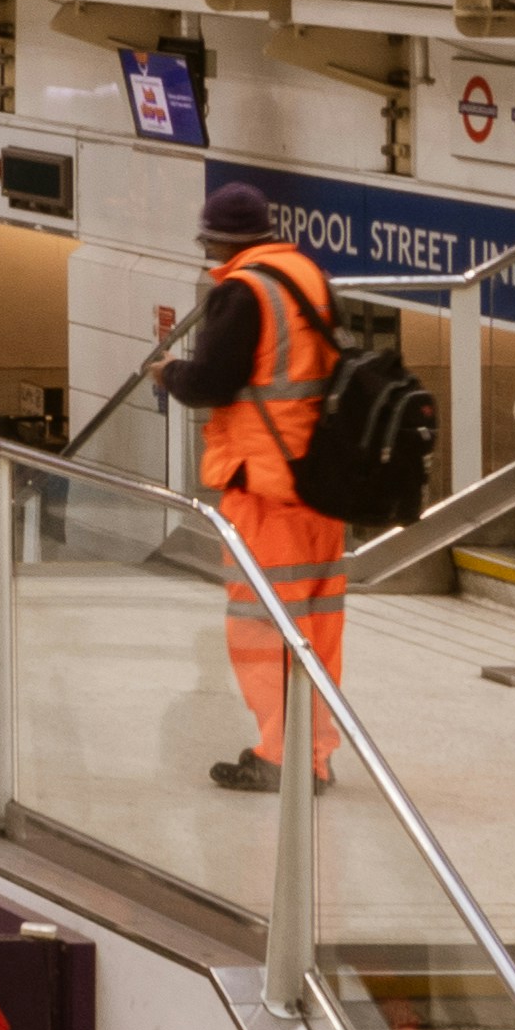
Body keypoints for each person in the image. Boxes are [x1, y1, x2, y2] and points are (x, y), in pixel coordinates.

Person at [172, 184, 351, 788]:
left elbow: (212, 383)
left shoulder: (242, 292)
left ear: (216, 240)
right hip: (323, 484)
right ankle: (314, 754)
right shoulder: (308, 276)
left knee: (261, 626)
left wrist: (169, 373)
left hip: (264, 485)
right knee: (318, 627)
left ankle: (279, 756)